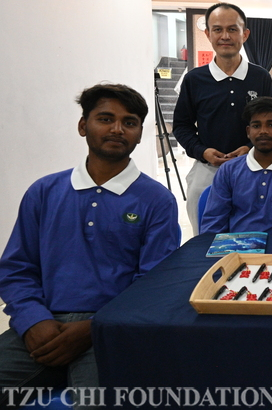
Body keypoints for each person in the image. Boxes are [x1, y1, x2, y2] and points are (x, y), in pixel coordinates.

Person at [0, 84, 180, 407]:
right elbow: (16, 269)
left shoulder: (157, 201)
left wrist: (95, 328)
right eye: (105, 119)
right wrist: (32, 320)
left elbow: (153, 286)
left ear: (140, 134)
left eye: (129, 122)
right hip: (45, 321)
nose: (117, 129)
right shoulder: (44, 192)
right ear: (83, 126)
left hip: (112, 328)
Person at [173, 2, 272, 236]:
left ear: (245, 34)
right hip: (207, 168)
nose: (225, 36)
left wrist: (249, 148)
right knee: (204, 238)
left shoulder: (260, 77)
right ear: (208, 34)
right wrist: (202, 151)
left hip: (254, 168)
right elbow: (181, 126)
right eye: (218, 29)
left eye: (232, 29)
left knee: (252, 236)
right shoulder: (194, 79)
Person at [200, 97, 272, 236]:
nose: (263, 131)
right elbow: (213, 223)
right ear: (248, 131)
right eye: (256, 126)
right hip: (233, 246)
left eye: (271, 125)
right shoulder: (228, 170)